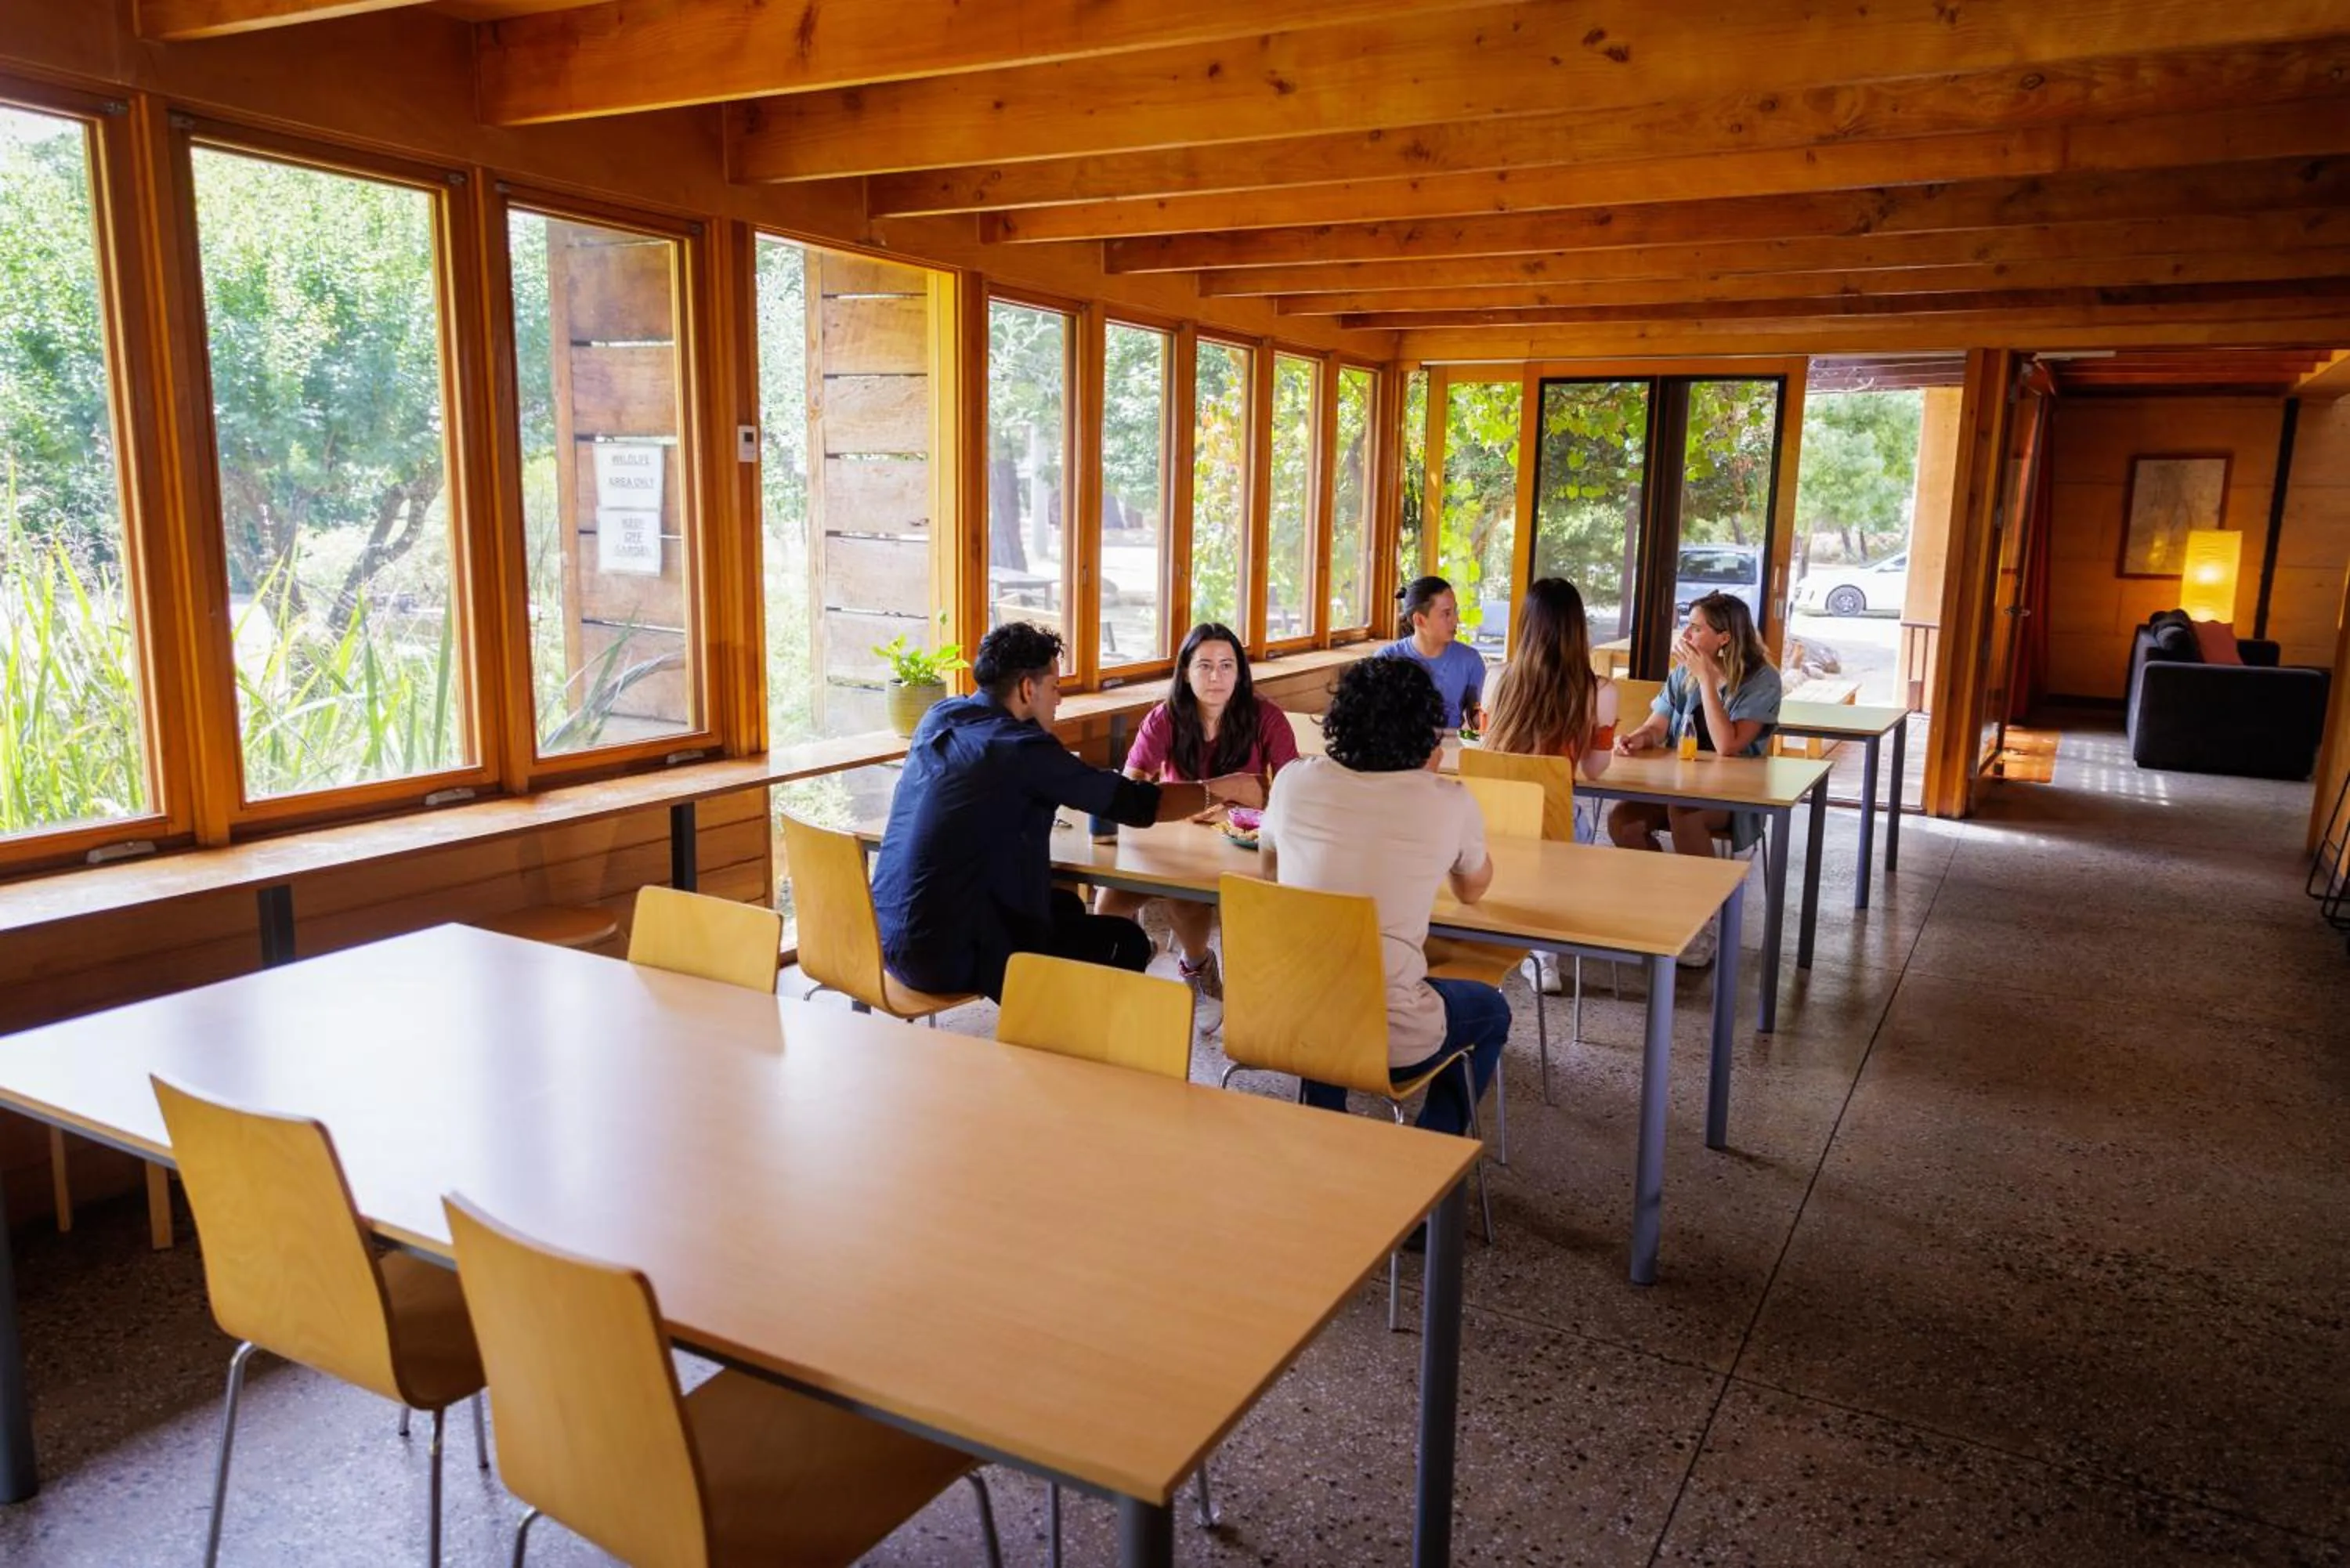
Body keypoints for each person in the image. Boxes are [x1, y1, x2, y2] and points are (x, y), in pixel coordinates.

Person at [872, 621, 1203, 1002]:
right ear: (1028, 689)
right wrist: (1215, 791)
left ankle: (1047, 1016)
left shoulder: (941, 715)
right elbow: (1138, 804)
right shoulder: (1020, 748)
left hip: (889, 935)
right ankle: (1065, 1049)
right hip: (945, 956)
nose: (1059, 699)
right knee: (1126, 940)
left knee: (1064, 905)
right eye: (1055, 687)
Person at [1259, 656, 1509, 1140]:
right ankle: (1429, 1155)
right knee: (1491, 1009)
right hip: (1389, 1037)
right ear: (1428, 733)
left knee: (1327, 980)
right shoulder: (1447, 800)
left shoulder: (1292, 780)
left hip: (1288, 1016)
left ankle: (1324, 1128)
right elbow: (1472, 890)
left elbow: (1270, 874)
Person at [1098, 623, 1300, 1017]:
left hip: (1246, 845)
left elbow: (1296, 789)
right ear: (1185, 671)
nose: (1215, 676)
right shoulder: (1166, 717)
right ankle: (1112, 982)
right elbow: (1129, 787)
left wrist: (1245, 801)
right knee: (1109, 904)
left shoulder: (1266, 717)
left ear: (1240, 673)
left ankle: (1198, 966)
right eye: (1204, 665)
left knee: (1185, 894)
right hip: (1175, 840)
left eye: (1227, 666)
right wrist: (1212, 791)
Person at [1606, 591, 1783, 968]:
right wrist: (1639, 738)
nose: (1686, 636)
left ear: (1724, 638)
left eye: (1696, 628)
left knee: (1682, 813)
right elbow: (1659, 722)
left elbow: (1728, 746)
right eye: (1688, 626)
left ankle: (1705, 922)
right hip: (1677, 783)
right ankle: (1668, 909)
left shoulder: (1763, 680)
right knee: (1623, 821)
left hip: (1733, 795)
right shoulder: (1683, 672)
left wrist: (1707, 680)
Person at [1483, 576, 1618, 994]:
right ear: (1579, 628)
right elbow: (1595, 770)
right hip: (1556, 829)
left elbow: (1487, 751)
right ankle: (1544, 955)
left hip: (1490, 825)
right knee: (1571, 826)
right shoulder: (1599, 691)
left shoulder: (1496, 679)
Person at [1378, 575, 1485, 732]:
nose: (1456, 621)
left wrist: (1490, 719)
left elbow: (1475, 713)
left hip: (1450, 747)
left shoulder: (1471, 661)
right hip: (1399, 750)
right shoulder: (1386, 659)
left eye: (1455, 611)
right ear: (1419, 620)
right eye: (1446, 614)